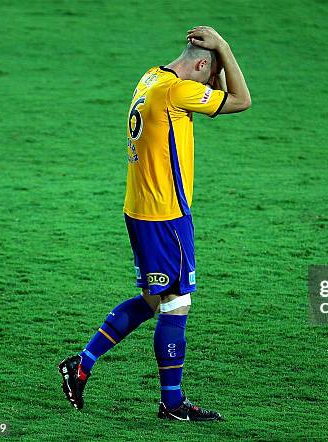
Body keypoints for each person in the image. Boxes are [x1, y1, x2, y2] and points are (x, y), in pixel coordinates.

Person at [59, 26, 251, 421]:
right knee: (177, 303)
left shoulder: (150, 77)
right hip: (165, 215)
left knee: (152, 300)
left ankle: (82, 365)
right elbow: (242, 100)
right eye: (209, 77)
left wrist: (212, 55)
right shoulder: (177, 91)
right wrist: (225, 48)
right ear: (201, 64)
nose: (209, 86)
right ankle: (172, 402)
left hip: (139, 208)